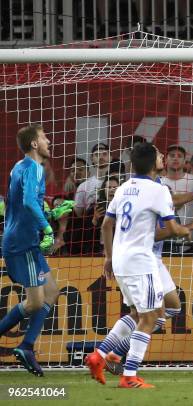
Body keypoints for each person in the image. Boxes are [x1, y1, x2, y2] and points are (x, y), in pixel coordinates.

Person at [94, 146, 193, 376]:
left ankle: (108, 355)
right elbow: (158, 232)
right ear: (152, 163)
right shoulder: (156, 191)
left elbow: (173, 201)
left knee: (166, 309)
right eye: (160, 155)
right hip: (144, 259)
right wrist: (189, 227)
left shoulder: (129, 188)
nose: (163, 158)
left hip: (127, 257)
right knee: (151, 316)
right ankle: (115, 361)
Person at [0, 124, 71, 376]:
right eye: (44, 137)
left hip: (21, 239)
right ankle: (27, 346)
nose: (49, 140)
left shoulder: (18, 167)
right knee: (35, 302)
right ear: (34, 144)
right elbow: (29, 201)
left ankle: (27, 345)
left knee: (51, 291)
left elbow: (21, 205)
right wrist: (48, 229)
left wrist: (51, 213)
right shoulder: (34, 168)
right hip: (23, 243)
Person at [161, 144, 193, 252]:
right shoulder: (159, 183)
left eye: (179, 156)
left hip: (191, 245)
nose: (175, 158)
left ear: (185, 161)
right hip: (164, 244)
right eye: (172, 155)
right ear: (165, 160)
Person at [74, 142, 110, 216]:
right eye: (97, 154)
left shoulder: (119, 183)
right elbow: (78, 215)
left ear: (110, 157)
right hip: (91, 225)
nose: (101, 157)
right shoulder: (83, 186)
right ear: (92, 159)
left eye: (104, 154)